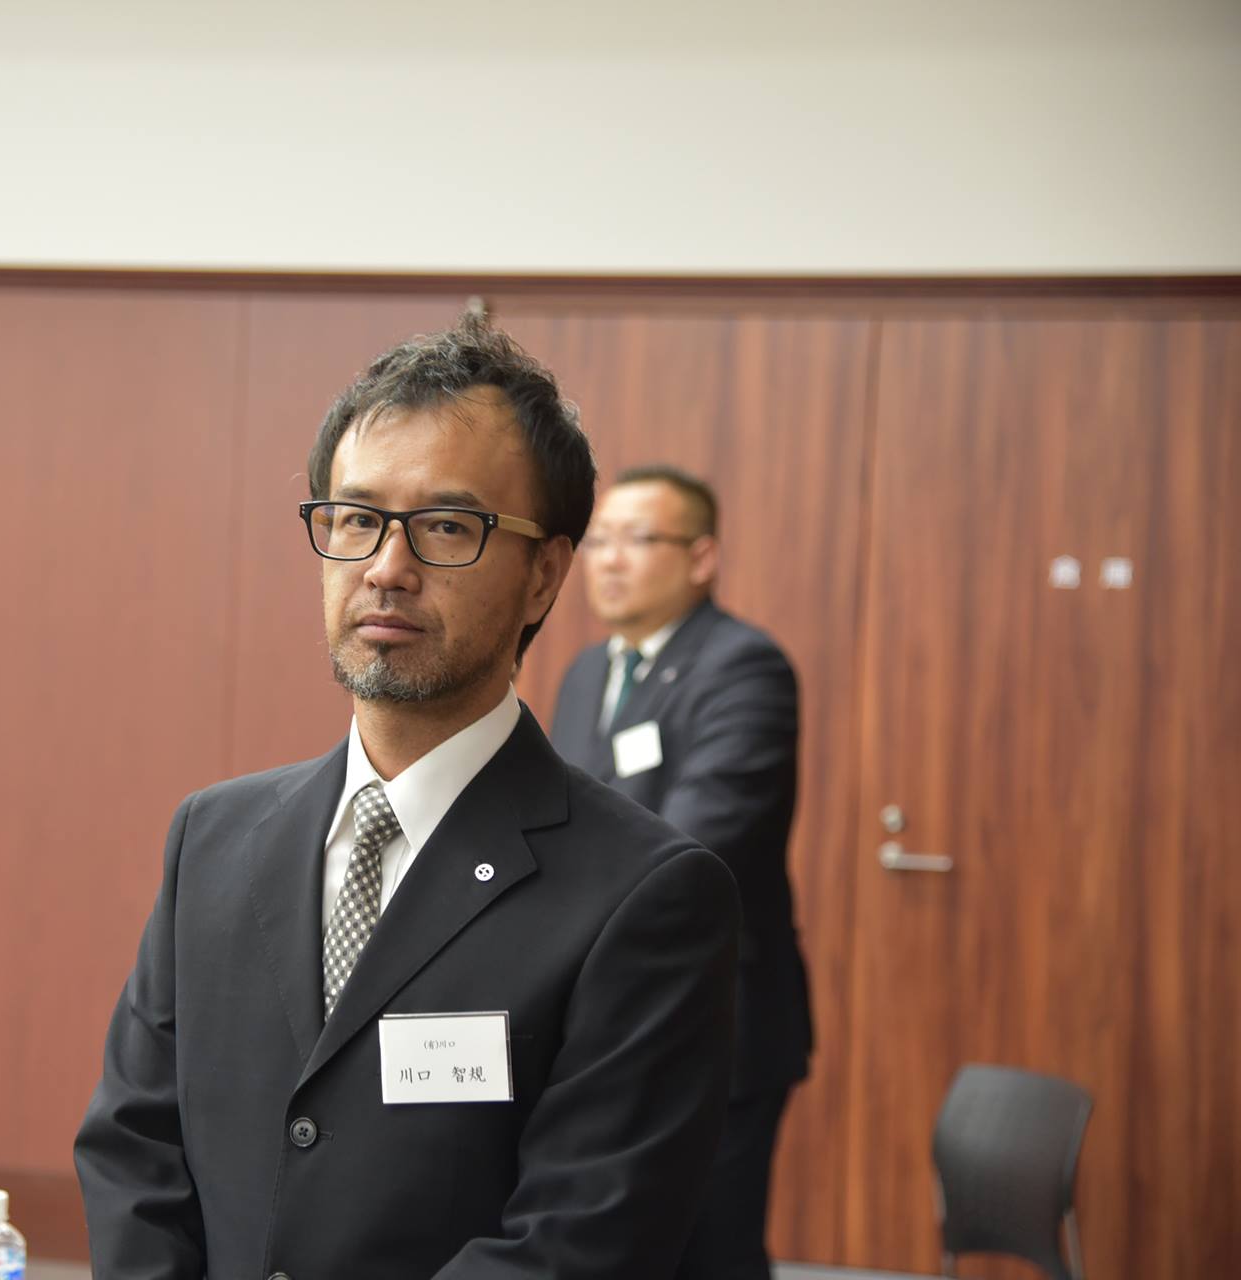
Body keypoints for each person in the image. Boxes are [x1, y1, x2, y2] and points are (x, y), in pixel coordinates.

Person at [75, 316, 741, 1279]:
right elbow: (135, 1149)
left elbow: (576, 1243)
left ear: (545, 575)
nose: (387, 567)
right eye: (356, 519)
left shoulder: (646, 895)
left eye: (446, 527)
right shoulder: (214, 838)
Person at [549, 465, 815, 1280]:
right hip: (607, 1018)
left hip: (714, 1019)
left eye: (637, 539)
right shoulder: (587, 672)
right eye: (598, 540)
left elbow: (696, 842)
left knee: (711, 1254)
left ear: (701, 557)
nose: (608, 559)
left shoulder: (743, 667)